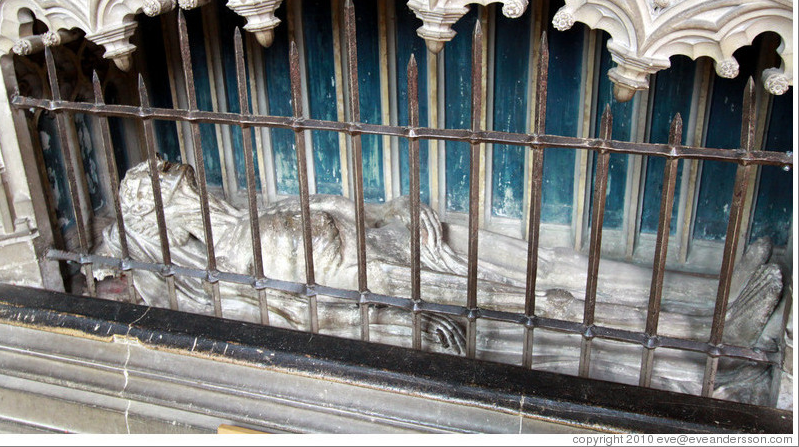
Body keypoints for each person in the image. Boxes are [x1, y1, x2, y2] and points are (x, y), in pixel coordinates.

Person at [97, 159, 784, 401]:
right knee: (545, 308)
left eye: (178, 174)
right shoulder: (208, 276)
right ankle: (703, 344)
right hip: (396, 295)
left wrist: (380, 219)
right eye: (170, 188)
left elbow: (319, 211)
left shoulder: (238, 215)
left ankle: (713, 297)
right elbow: (304, 312)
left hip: (402, 239)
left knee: (549, 265)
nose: (188, 187)